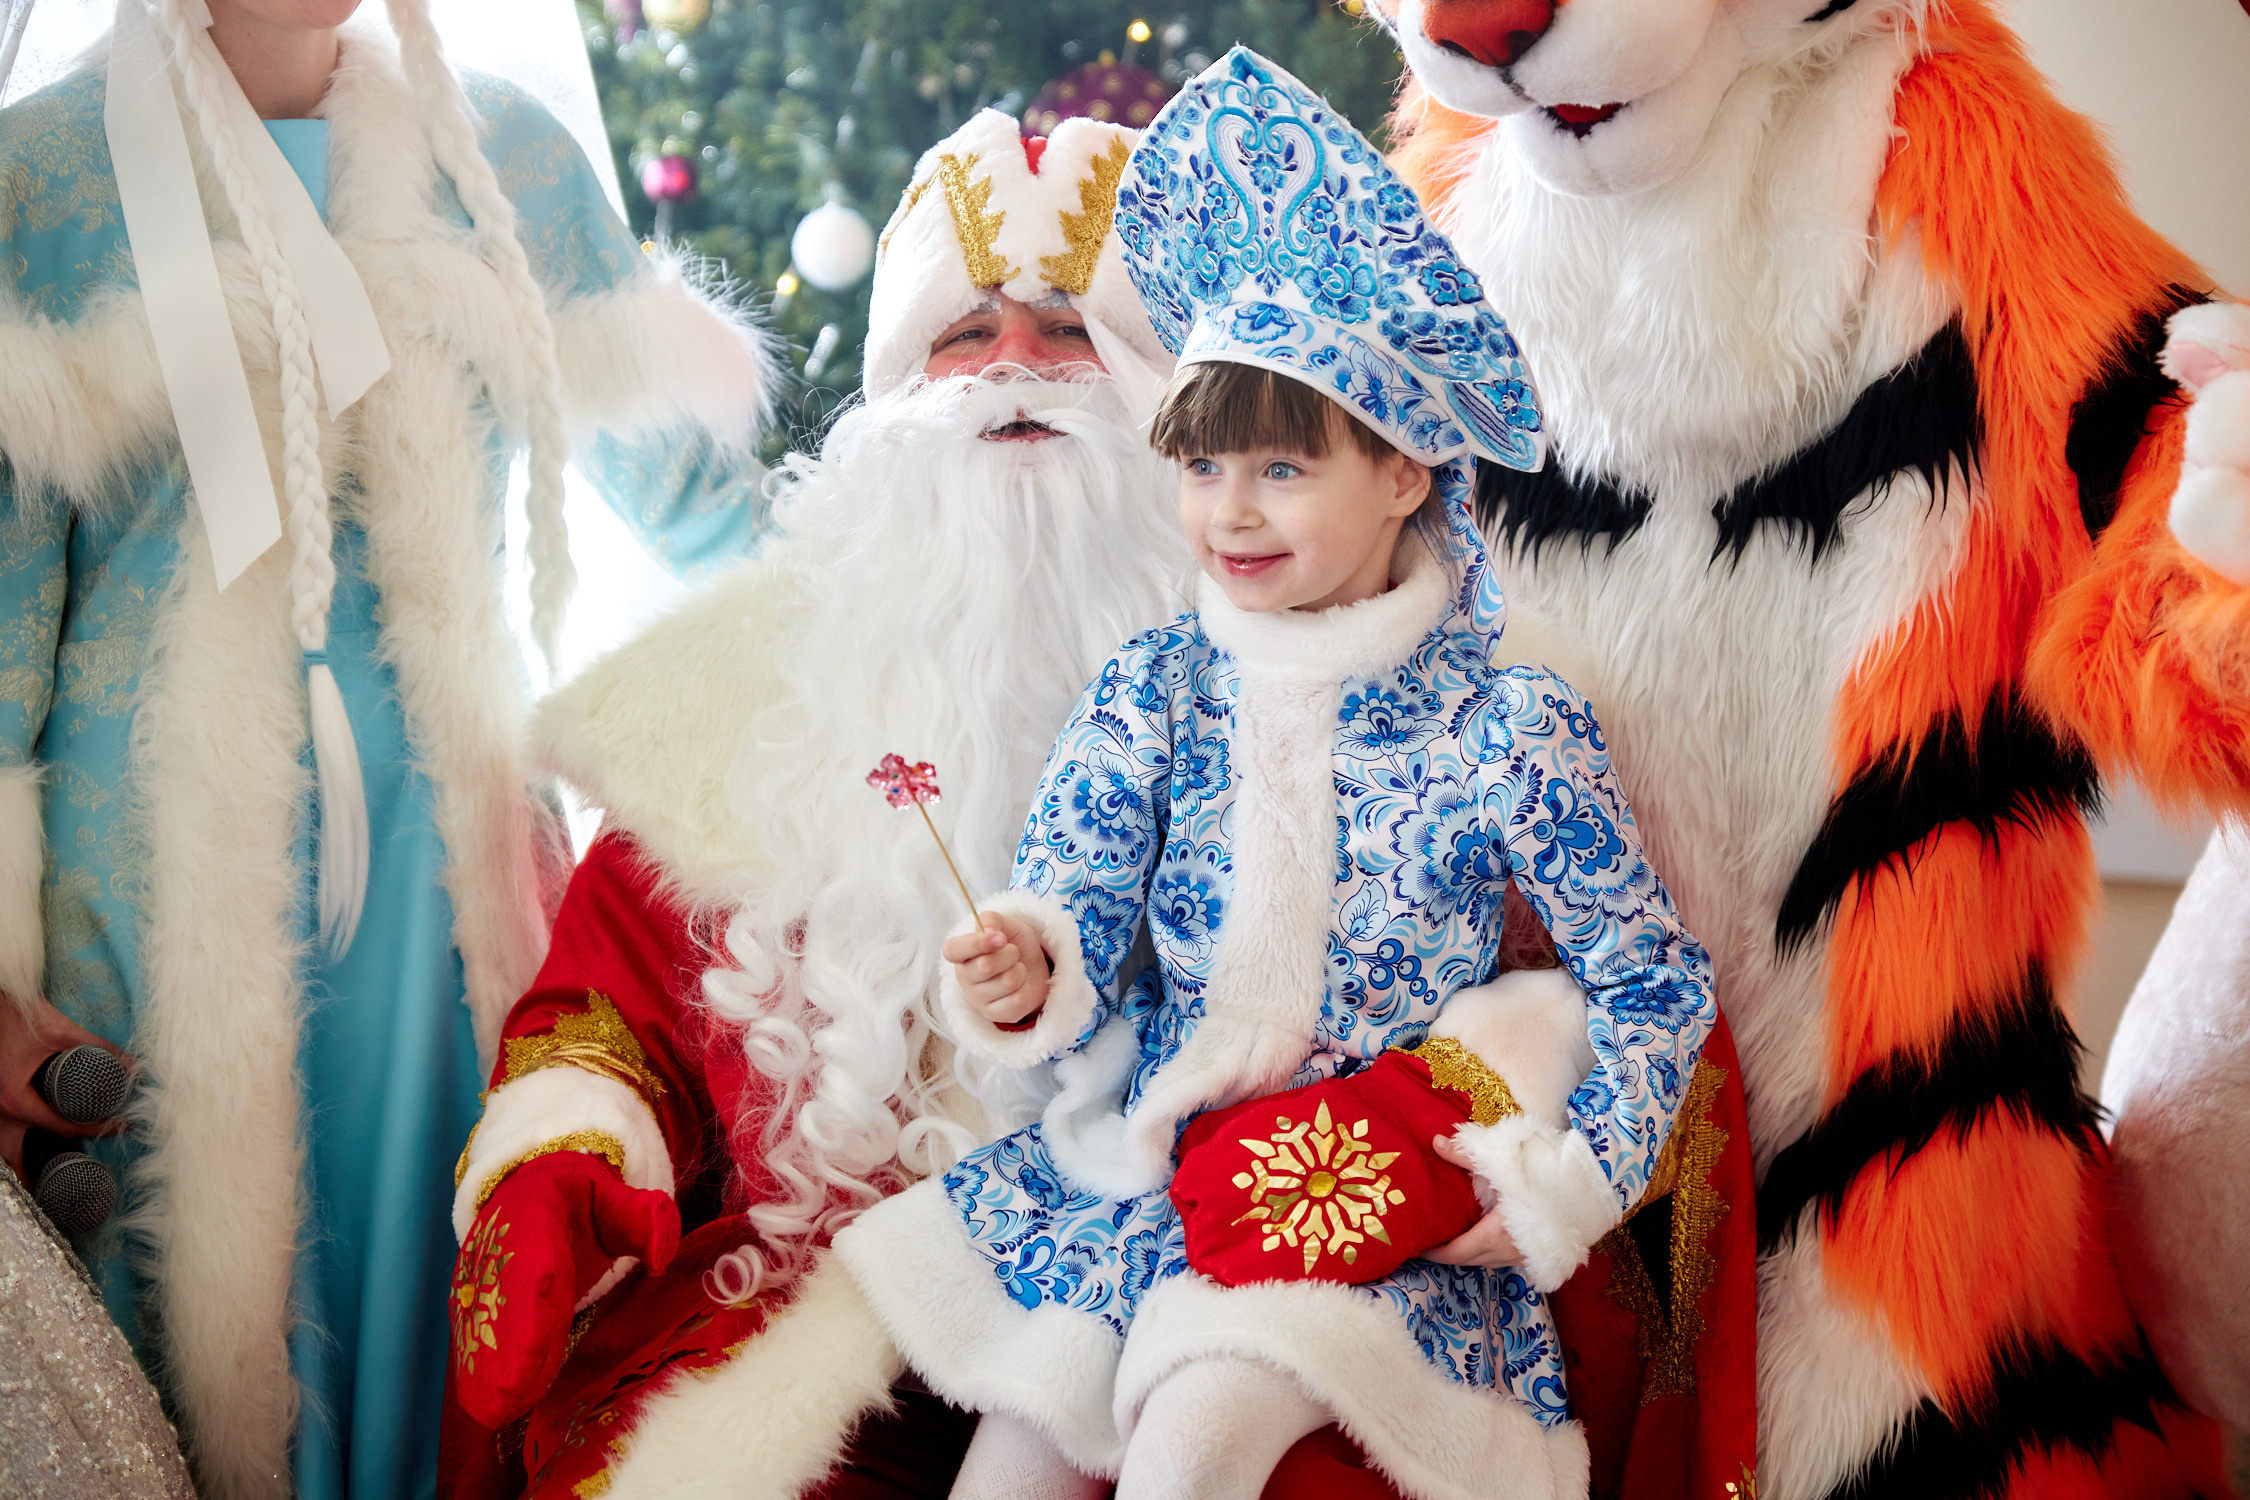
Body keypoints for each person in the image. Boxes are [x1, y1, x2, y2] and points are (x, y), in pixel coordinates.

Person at [834, 49, 1719, 1500]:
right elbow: (1073, 892)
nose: (1228, 516)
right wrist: (1029, 962)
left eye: (1282, 472)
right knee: (1007, 1471)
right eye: (1202, 469)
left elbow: (1651, 983)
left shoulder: (1506, 725)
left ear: (1404, 473)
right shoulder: (1155, 686)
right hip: (1143, 1187)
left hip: (1353, 1217)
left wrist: (1555, 1184)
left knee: (1193, 1443)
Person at [0, 1, 774, 1495]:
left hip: (452, 893)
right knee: (169, 1355)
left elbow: (718, 531)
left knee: (461, 1325)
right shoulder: (35, 181)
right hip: (141, 921)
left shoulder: (505, 159)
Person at [439, 109, 1187, 1500]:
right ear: (893, 396)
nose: (1013, 370)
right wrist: (570, 1155)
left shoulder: (1309, 668)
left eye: (1069, 330)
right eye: (966, 335)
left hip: (1193, 1302)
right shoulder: (731, 691)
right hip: (829, 1303)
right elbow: (609, 1003)